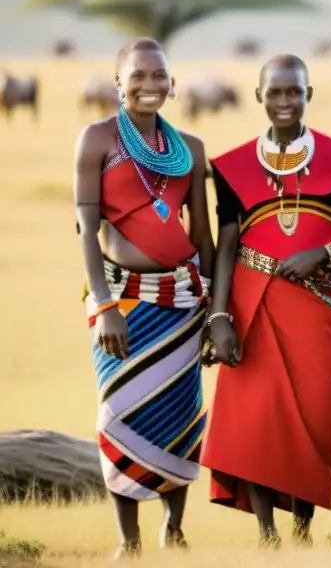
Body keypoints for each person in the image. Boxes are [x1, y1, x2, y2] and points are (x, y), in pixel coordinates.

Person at [199, 54, 331, 547]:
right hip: (251, 305)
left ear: (309, 95)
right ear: (258, 97)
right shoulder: (230, 167)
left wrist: (325, 252)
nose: (285, 101)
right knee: (258, 418)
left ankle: (304, 527)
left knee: (318, 415)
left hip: (319, 307)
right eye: (275, 92)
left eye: (295, 91)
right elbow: (228, 244)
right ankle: (268, 533)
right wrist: (219, 316)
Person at [73, 37, 214, 559]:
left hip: (181, 299)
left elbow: (203, 236)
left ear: (174, 83)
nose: (149, 85)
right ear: (118, 82)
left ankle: (174, 527)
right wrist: (106, 304)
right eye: (138, 76)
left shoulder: (191, 150)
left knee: (181, 412)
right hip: (122, 304)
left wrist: (215, 309)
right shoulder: (96, 140)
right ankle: (127, 540)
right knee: (119, 411)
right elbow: (86, 231)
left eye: (160, 76)